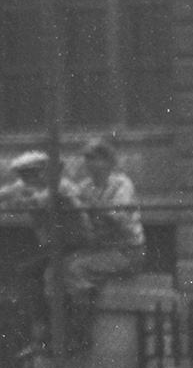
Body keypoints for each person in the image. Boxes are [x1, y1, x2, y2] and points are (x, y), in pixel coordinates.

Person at [0, 149, 91, 351]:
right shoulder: (28, 187)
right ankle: (41, 332)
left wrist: (19, 202)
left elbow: (41, 201)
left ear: (43, 171)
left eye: (32, 173)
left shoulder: (62, 187)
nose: (27, 178)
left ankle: (70, 335)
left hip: (77, 246)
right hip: (56, 248)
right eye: (23, 174)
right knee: (27, 272)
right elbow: (5, 193)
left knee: (54, 278)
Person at [65, 137, 146, 301]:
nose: (87, 162)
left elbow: (118, 218)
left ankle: (85, 321)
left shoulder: (121, 184)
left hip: (127, 252)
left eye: (93, 158)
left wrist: (91, 204)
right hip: (101, 250)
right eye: (86, 158)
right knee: (60, 267)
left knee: (76, 269)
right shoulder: (86, 186)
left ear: (107, 161)